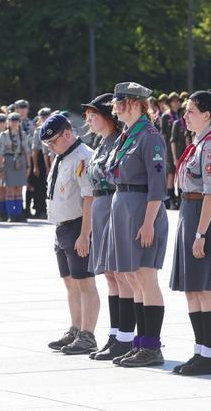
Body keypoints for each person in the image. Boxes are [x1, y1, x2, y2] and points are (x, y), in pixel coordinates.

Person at [105, 82, 168, 367]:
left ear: (139, 104)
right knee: (131, 278)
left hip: (142, 208)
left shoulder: (150, 136)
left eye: (123, 102)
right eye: (117, 102)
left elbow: (157, 185)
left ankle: (152, 346)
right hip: (124, 205)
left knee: (145, 277)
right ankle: (141, 343)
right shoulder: (128, 135)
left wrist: (148, 222)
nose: (117, 107)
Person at [170, 91, 211, 376]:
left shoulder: (210, 146)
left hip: (204, 217)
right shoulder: (197, 143)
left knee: (204, 288)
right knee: (192, 289)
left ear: (207, 115)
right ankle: (199, 351)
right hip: (190, 214)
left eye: (191, 111)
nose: (185, 115)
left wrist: (201, 234)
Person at [82, 93, 135, 361]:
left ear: (108, 118)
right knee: (110, 276)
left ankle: (126, 336)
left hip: (114, 205)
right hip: (101, 208)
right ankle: (115, 334)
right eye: (87, 114)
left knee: (122, 274)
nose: (89, 119)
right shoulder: (100, 142)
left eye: (94, 114)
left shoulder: (119, 141)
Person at [42, 113, 100, 355]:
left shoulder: (83, 156)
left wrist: (85, 234)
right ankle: (75, 328)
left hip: (77, 226)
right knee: (70, 282)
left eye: (53, 141)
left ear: (67, 133)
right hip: (62, 226)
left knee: (85, 281)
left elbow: (89, 198)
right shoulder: (62, 156)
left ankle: (88, 334)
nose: (51, 147)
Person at [0, 114, 31, 222]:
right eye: (12, 120)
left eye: (16, 120)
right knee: (10, 189)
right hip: (8, 160)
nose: (14, 123)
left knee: (19, 190)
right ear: (8, 122)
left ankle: (19, 214)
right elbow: (0, 153)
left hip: (20, 161)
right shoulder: (3, 135)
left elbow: (27, 151)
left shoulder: (23, 134)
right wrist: (1, 168)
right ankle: (11, 214)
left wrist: (28, 166)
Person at [31, 107, 52, 219]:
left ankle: (48, 210)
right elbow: (34, 150)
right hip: (40, 159)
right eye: (43, 116)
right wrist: (35, 166)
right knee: (39, 187)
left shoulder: (54, 128)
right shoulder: (38, 131)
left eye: (47, 115)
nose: (45, 118)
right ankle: (39, 210)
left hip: (52, 156)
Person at [161, 92, 181, 209]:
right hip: (169, 147)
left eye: (177, 101)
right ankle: (170, 198)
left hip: (179, 146)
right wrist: (164, 150)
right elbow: (163, 135)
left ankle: (177, 196)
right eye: (173, 101)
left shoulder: (179, 115)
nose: (176, 103)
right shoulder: (166, 116)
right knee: (170, 173)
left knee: (177, 172)